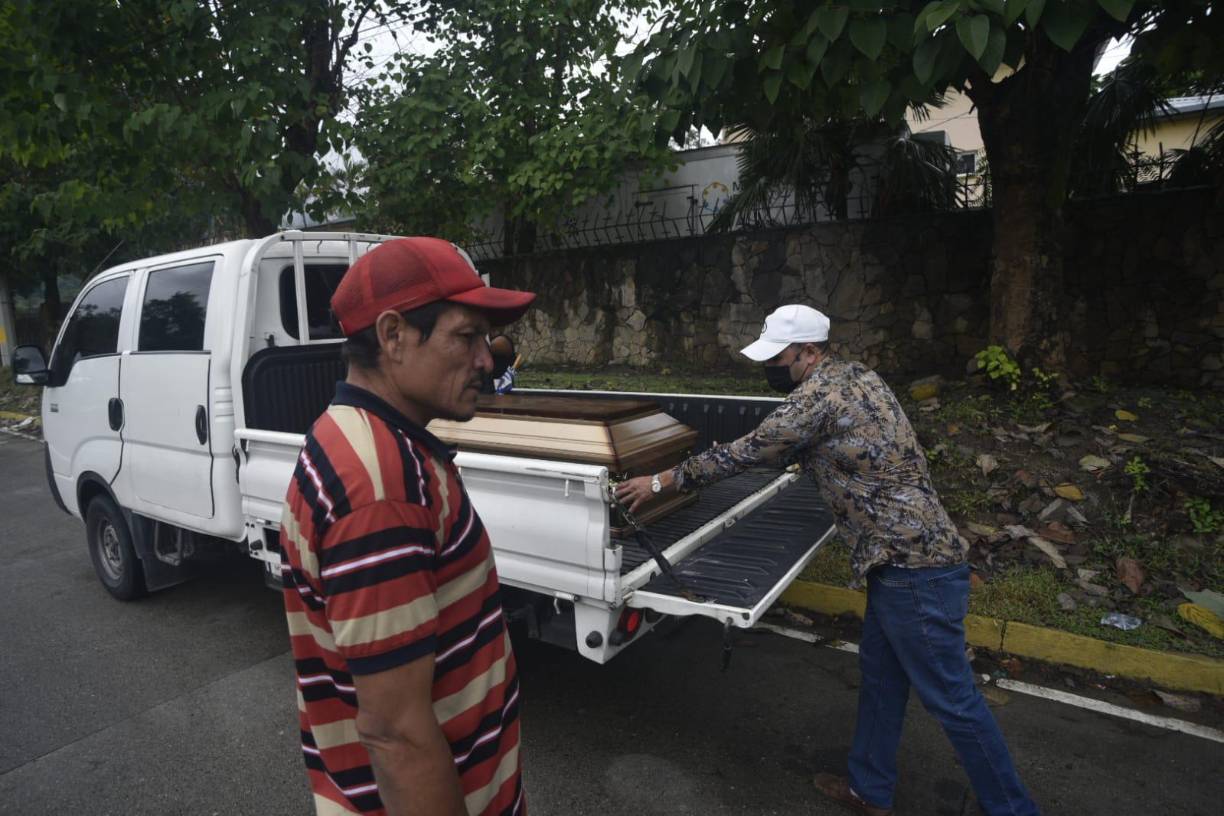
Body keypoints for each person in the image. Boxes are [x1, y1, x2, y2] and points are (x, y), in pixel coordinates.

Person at [616, 304, 1039, 816]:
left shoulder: (818, 397)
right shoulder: (859, 376)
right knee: (882, 681)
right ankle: (870, 789)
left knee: (954, 702)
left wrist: (660, 481)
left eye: (778, 359)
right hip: (897, 563)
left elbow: (746, 452)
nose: (769, 368)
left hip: (915, 568)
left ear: (810, 352)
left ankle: (1013, 810)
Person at [280, 237, 535, 816]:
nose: (486, 361)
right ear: (393, 336)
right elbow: (395, 734)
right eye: (466, 337)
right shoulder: (379, 485)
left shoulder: (375, 444)